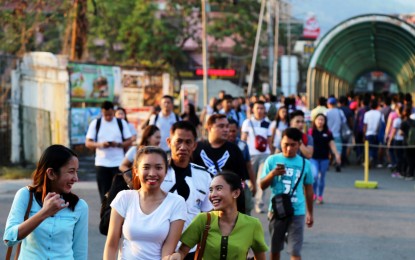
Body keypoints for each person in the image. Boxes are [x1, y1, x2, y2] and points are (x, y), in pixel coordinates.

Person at [4, 145, 88, 259]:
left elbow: (80, 254)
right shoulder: (25, 196)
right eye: (71, 171)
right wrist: (44, 213)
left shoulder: (80, 206)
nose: (76, 178)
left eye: (76, 172)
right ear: (51, 173)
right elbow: (9, 239)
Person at [103, 146, 187, 260]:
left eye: (158, 167)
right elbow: (111, 244)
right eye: (146, 167)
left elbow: (168, 249)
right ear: (136, 171)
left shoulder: (177, 203)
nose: (152, 173)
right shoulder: (124, 197)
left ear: (166, 171)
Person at [169, 171, 268, 260]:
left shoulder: (253, 224)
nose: (212, 194)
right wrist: (176, 256)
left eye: (219, 189)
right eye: (211, 190)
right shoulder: (203, 219)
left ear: (236, 193)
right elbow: (182, 252)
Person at [161, 121, 213, 259]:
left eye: (188, 142)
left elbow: (207, 215)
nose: (183, 147)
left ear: (194, 145)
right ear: (169, 142)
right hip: (158, 246)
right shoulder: (157, 173)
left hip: (191, 249)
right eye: (178, 141)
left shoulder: (204, 176)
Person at [260, 128, 314, 260]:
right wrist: (272, 174)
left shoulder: (305, 164)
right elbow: (262, 185)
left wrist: (310, 213)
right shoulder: (272, 160)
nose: (289, 148)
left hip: (297, 211)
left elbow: (308, 190)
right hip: (277, 211)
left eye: (293, 145)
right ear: (281, 143)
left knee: (295, 251)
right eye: (285, 144)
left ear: (299, 144)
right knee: (275, 248)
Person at [85, 101, 133, 202]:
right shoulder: (96, 123)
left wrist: (118, 144)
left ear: (114, 112)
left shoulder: (121, 123)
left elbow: (129, 140)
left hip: (118, 163)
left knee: (119, 193)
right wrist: (100, 144)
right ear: (102, 112)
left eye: (110, 115)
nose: (108, 117)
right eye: (105, 115)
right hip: (102, 163)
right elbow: (88, 143)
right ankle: (106, 215)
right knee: (104, 195)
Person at [241, 101, 272, 214]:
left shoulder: (267, 123)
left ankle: (259, 203)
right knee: (249, 180)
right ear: (253, 109)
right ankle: (250, 197)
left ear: (265, 110)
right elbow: (243, 139)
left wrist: (272, 155)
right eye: (257, 108)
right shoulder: (247, 122)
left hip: (264, 155)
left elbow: (269, 141)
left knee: (261, 179)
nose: (259, 110)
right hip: (250, 155)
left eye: (261, 108)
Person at [308, 114, 341, 204]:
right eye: (318, 119)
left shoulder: (328, 132)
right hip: (313, 158)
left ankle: (320, 196)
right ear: (314, 121)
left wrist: (337, 155)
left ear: (325, 121)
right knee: (314, 176)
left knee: (322, 177)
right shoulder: (311, 131)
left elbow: (332, 144)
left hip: (324, 158)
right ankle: (313, 194)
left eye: (322, 120)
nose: (320, 121)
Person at [228, 119, 256, 215]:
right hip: (225, 186)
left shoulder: (243, 146)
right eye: (229, 131)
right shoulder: (220, 146)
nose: (231, 134)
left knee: (246, 208)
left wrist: (254, 184)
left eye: (233, 131)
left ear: (238, 130)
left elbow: (249, 166)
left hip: (241, 184)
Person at [325, 97, 346, 172]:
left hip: (328, 134)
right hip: (337, 134)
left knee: (327, 150)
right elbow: (344, 121)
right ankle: (338, 163)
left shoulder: (326, 112)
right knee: (338, 150)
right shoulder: (340, 112)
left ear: (328, 104)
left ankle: (327, 164)